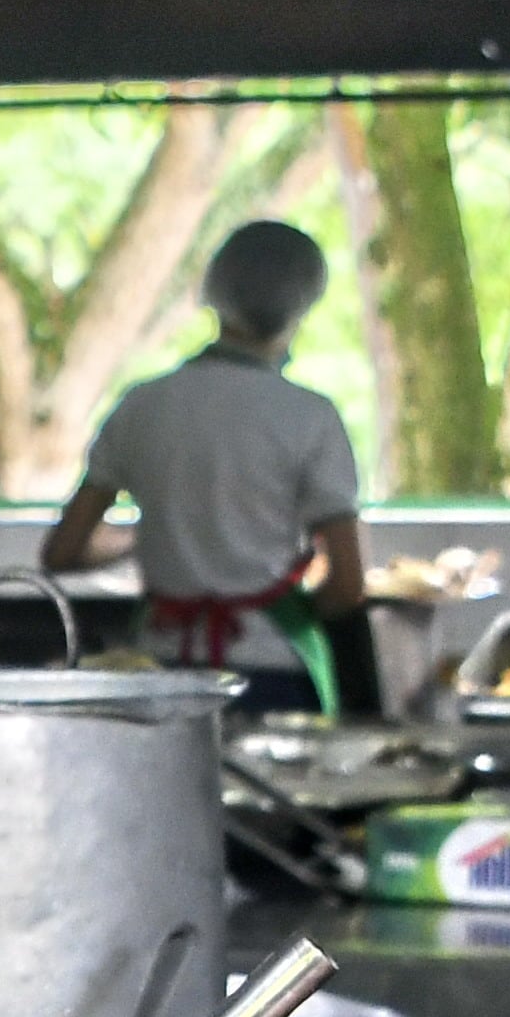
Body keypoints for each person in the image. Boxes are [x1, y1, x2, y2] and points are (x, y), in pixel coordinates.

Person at [43, 220, 368, 712]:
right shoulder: (310, 416)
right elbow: (346, 587)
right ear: (304, 304)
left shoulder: (142, 406)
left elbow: (64, 551)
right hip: (271, 670)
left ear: (213, 293)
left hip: (160, 668)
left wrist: (156, 539)